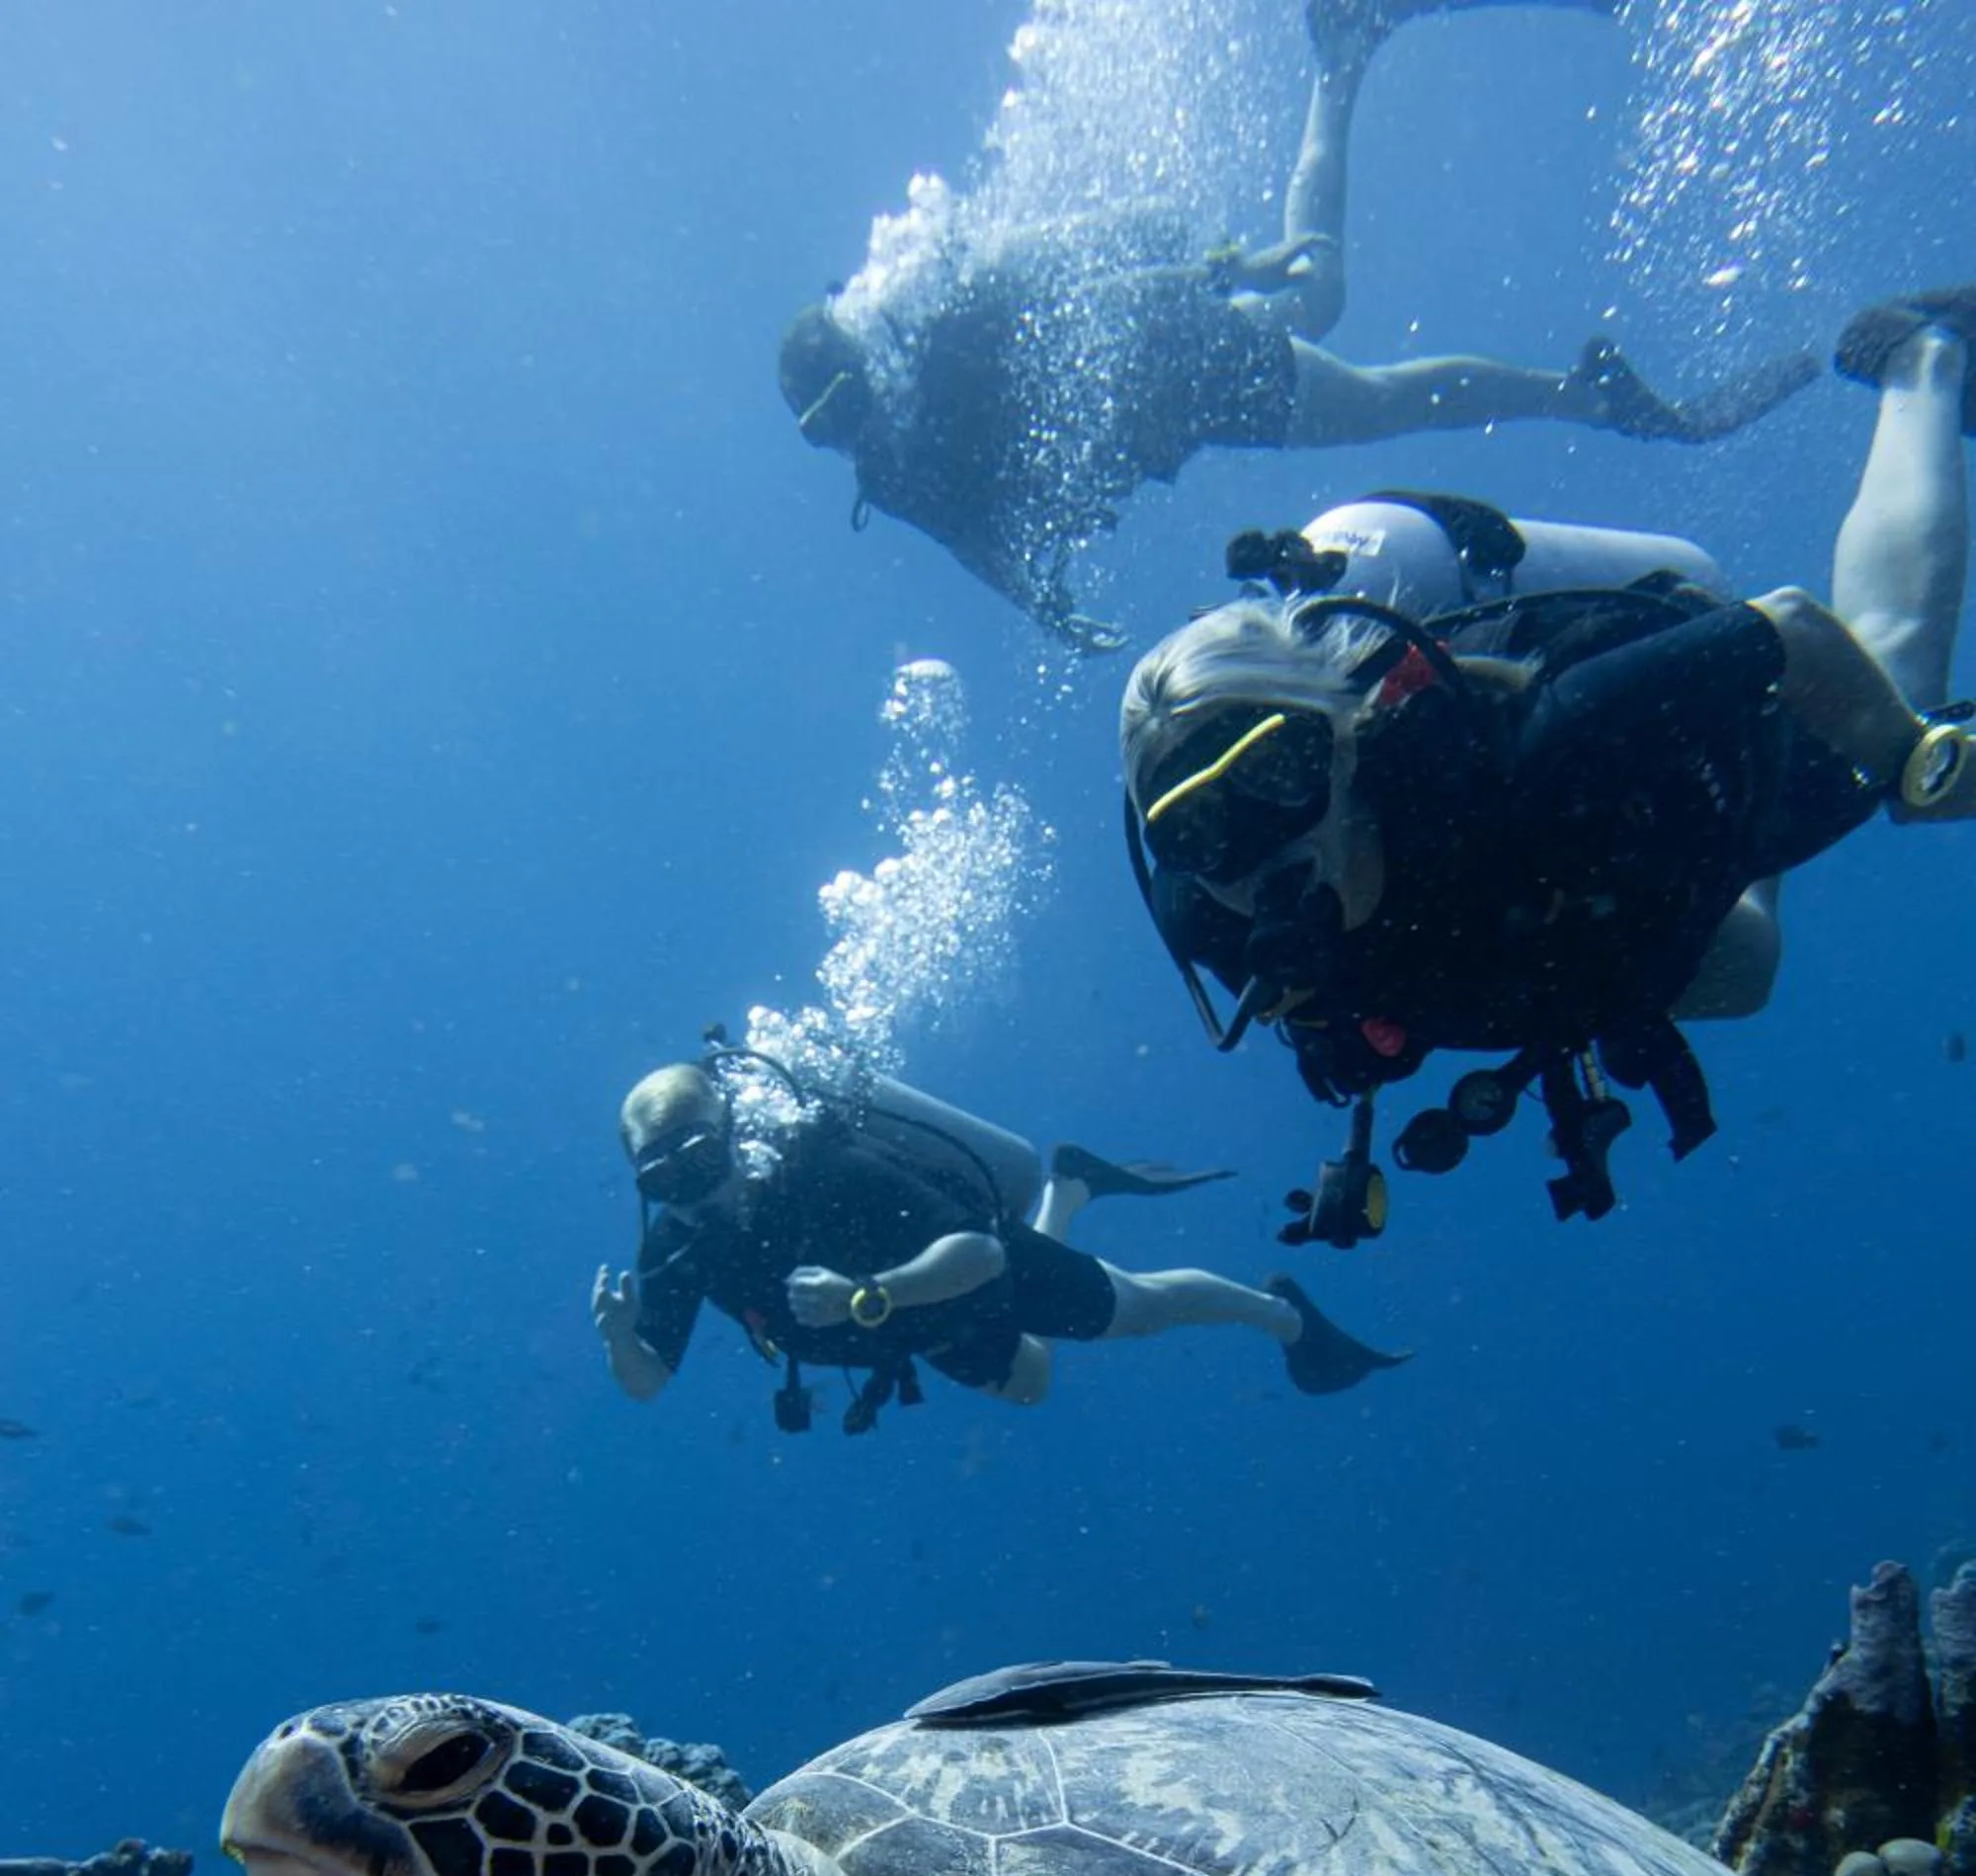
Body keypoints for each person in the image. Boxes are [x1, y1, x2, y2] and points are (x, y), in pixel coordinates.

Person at [1116, 285, 1976, 1240]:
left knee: (1889, 678)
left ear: (1348, 741)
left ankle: (1924, 361)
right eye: (1199, 829)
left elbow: (1790, 628)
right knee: (1739, 971)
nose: (1261, 846)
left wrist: (1907, 753)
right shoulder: (1208, 918)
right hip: (1458, 802)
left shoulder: (1539, 745)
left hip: (1469, 586)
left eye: (1279, 772)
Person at [778, 0, 1816, 648]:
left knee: (1348, 351)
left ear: (869, 359)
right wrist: (1039, 604)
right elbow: (974, 546)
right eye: (831, 429)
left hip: (1158, 355)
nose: (854, 428)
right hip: (1155, 406)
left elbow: (1073, 280)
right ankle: (1346, 48)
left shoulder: (951, 321)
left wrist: (1225, 268)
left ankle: (1587, 393)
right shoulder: (894, 472)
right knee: (1326, 308)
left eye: (847, 406)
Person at [590, 1054, 1406, 1433]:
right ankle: (1072, 1187)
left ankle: (1288, 1320)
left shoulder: (827, 1167)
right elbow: (648, 1381)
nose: (687, 1188)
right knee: (1033, 1383)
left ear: (732, 1133)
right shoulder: (675, 1249)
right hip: (914, 1330)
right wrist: (623, 1337)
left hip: (964, 1283)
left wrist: (866, 1296)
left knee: (1147, 1309)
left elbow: (981, 1254)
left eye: (699, 1158)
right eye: (662, 1176)